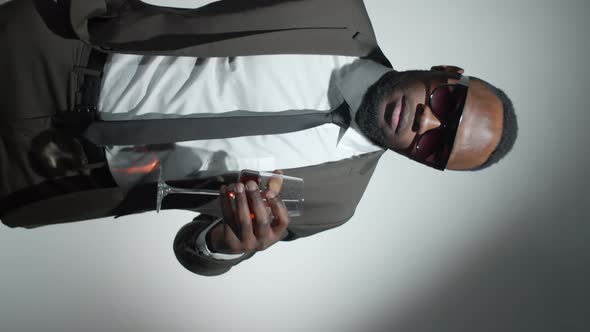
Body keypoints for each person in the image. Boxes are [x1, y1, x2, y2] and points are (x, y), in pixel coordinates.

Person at [0, 0, 517, 276]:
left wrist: (223, 246)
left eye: (435, 146)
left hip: (50, 175)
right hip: (44, 52)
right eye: (448, 104)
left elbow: (194, 248)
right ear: (447, 71)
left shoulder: (331, 202)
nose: (425, 124)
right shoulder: (333, 12)